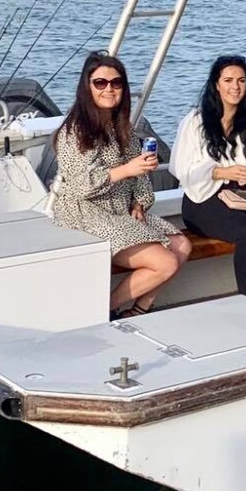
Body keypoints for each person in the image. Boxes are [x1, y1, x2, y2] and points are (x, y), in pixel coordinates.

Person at [52, 52, 190, 317]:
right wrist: (125, 170)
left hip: (120, 210)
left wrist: (139, 201)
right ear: (86, 86)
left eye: (116, 83)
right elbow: (82, 185)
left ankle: (139, 310)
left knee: (182, 246)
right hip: (87, 213)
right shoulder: (75, 131)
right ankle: (103, 310)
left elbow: (138, 170)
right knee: (165, 262)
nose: (109, 88)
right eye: (100, 83)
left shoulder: (120, 125)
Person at [170, 54, 246, 304]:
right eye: (228, 80)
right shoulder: (195, 121)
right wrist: (222, 172)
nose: (235, 86)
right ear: (216, 84)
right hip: (202, 199)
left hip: (239, 195)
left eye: (241, 81)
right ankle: (245, 301)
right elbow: (181, 169)